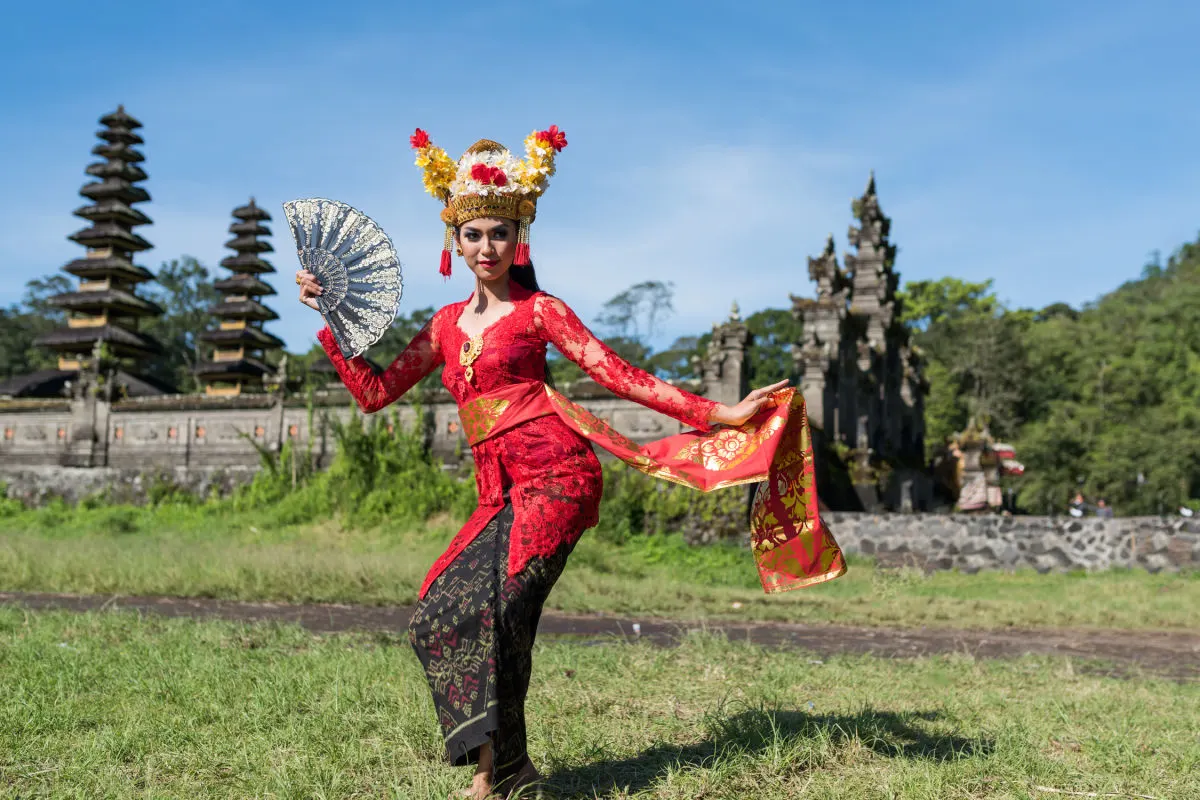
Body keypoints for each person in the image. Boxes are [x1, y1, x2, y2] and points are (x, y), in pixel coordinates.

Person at [297, 126, 844, 799]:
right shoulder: (442, 327)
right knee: (438, 613)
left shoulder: (541, 312)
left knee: (502, 615)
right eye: (473, 235)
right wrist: (330, 318)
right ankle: (511, 766)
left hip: (558, 477)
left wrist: (716, 413)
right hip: (495, 496)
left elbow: (617, 374)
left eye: (499, 234)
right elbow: (375, 393)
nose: (485, 248)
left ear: (518, 236)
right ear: (454, 240)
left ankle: (495, 775)